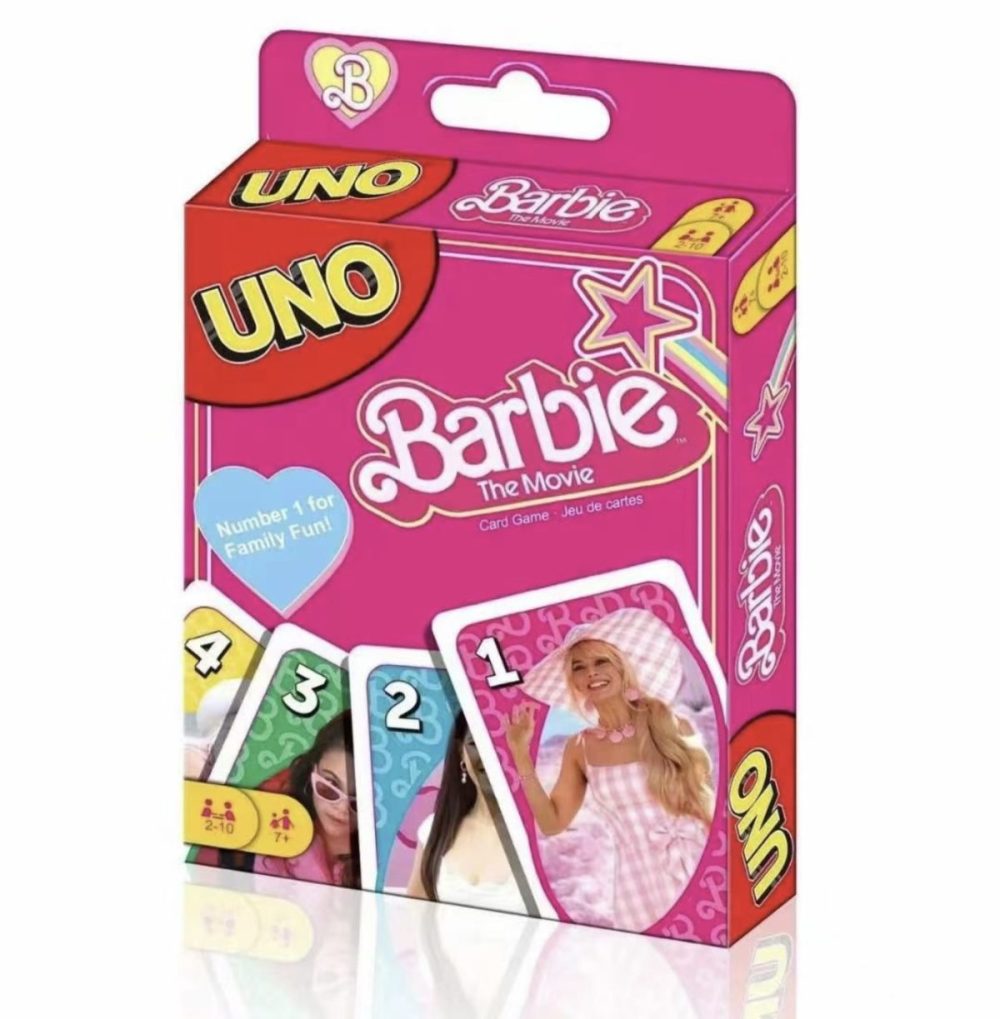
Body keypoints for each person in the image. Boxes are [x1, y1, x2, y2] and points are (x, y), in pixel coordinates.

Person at [501, 608, 714, 932]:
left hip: (695, 860)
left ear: (621, 667)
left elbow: (708, 800)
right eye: (579, 667)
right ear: (573, 681)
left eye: (601, 661)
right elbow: (552, 822)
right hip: (636, 885)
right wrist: (520, 755)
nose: (591, 672)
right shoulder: (580, 748)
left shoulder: (668, 723)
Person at [407, 712, 525, 914]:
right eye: (475, 743)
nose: (490, 754)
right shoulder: (433, 830)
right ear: (460, 753)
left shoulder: (542, 839)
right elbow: (415, 917)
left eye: (502, 742)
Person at [255, 711, 359, 888]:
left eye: (358, 801)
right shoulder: (278, 829)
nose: (342, 808)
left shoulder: (385, 859)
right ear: (313, 771)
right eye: (329, 786)